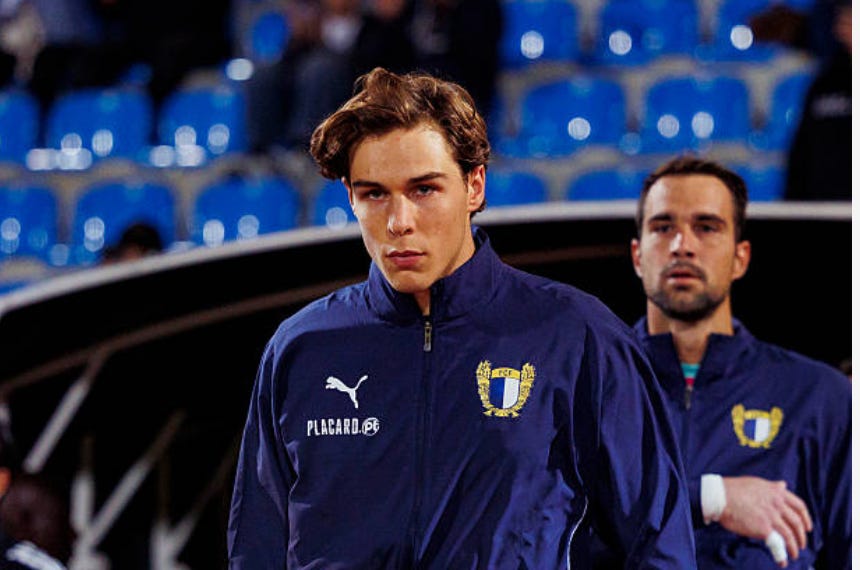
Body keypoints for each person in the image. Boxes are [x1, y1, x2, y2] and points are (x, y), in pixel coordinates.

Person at [227, 67, 696, 568]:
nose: (399, 222)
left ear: (474, 186)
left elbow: (657, 544)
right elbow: (257, 548)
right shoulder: (301, 348)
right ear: (350, 198)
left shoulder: (577, 336)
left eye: (424, 190)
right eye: (374, 194)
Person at [627, 155, 851, 568]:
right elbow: (555, 525)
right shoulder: (591, 387)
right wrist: (712, 498)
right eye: (663, 227)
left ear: (740, 258)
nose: (682, 245)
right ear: (638, 256)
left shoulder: (821, 398)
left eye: (706, 227)